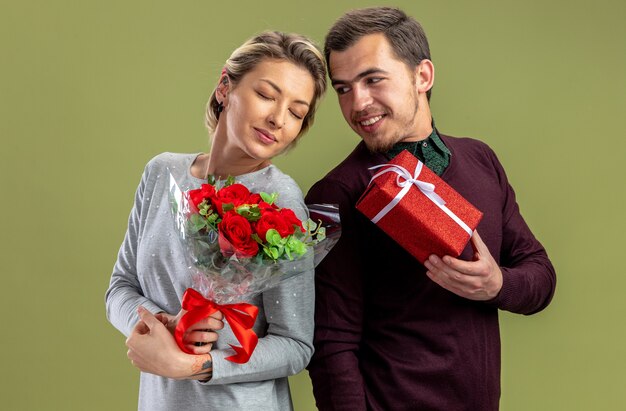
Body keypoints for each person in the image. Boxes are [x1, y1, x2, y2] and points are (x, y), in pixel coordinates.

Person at [305, 7, 556, 411]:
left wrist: (498, 286)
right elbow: (331, 343)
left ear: (422, 76)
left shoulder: (480, 160)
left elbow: (539, 273)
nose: (358, 103)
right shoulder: (335, 193)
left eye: (373, 80)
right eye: (343, 88)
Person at [105, 31, 327, 411]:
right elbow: (119, 288)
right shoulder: (162, 173)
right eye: (266, 95)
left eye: (295, 112)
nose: (277, 119)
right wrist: (162, 323)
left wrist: (196, 365)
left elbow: (294, 345)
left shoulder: (283, 200)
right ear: (225, 87)